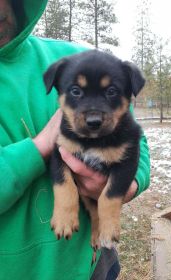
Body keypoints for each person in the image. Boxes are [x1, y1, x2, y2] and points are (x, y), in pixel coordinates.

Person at [0, 0, 150, 279]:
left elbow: (136, 142)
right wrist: (40, 146)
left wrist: (124, 187)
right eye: (78, 93)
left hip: (91, 266)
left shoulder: (75, 58)